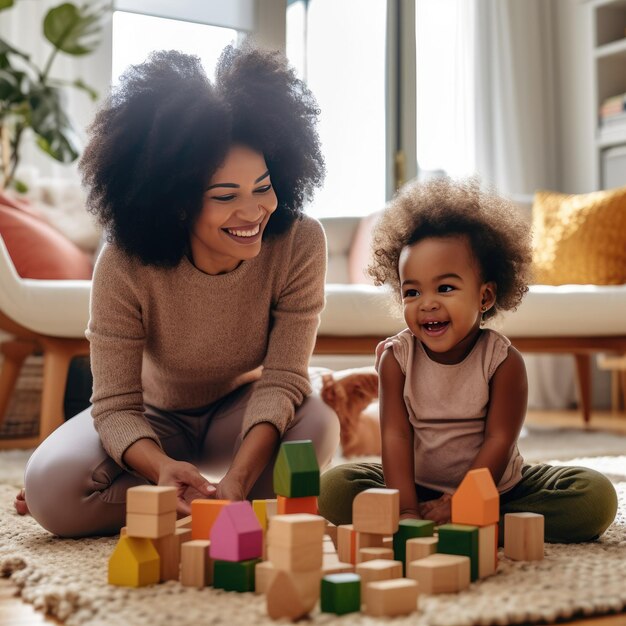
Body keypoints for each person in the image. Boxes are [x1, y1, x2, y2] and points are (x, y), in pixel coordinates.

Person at [14, 45, 340, 537]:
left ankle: (211, 494)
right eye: (226, 196)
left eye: (263, 186)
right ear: (177, 203)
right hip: (151, 417)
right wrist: (159, 469)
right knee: (49, 490)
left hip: (240, 416)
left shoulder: (300, 241)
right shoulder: (125, 261)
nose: (254, 212)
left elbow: (282, 381)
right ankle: (195, 494)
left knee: (317, 427)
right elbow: (116, 406)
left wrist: (240, 475)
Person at [318, 177, 617, 543]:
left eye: (445, 288)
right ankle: (463, 524)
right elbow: (395, 437)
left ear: (485, 296)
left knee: (595, 497)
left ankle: (488, 522)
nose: (427, 302)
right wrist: (408, 511)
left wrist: (463, 503)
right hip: (416, 488)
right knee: (333, 487)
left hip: (496, 489)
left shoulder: (504, 362)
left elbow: (499, 440)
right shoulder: (397, 360)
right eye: (412, 291)